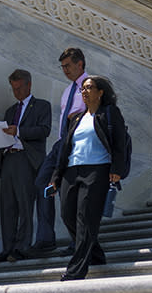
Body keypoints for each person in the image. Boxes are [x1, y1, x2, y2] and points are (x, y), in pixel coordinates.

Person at [50, 76, 127, 281]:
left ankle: (76, 270)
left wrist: (117, 169)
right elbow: (65, 149)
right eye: (82, 89)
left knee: (86, 219)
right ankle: (96, 254)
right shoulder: (76, 118)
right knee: (68, 215)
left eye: (89, 88)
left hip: (97, 170)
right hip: (72, 170)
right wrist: (56, 176)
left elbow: (120, 143)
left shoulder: (110, 113)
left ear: (100, 92)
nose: (84, 92)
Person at [0, 69, 52, 263]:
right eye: (13, 89)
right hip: (9, 159)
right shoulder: (10, 110)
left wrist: (20, 131)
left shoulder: (42, 106)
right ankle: (7, 249)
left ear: (28, 85)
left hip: (27, 159)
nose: (16, 93)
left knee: (25, 205)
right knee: (7, 206)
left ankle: (22, 247)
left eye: (19, 88)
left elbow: (44, 130)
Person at [31, 48, 88, 257]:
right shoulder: (67, 90)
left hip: (78, 143)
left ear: (80, 64)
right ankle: (46, 238)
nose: (64, 70)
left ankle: (77, 241)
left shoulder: (90, 85)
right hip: (60, 143)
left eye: (68, 66)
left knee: (70, 192)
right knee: (42, 183)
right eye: (62, 66)